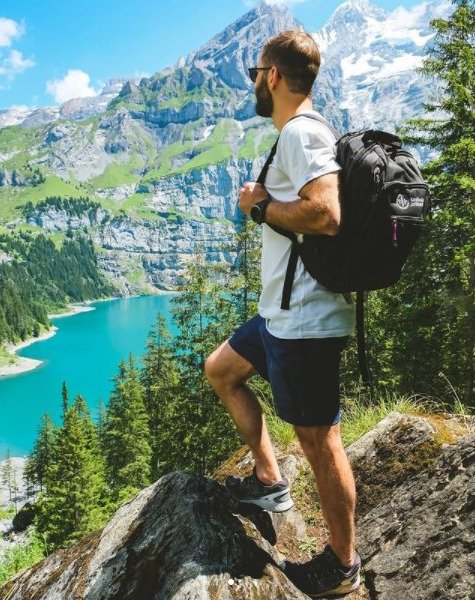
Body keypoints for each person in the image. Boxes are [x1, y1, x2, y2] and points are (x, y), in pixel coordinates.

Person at [205, 29, 361, 598]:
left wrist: (259, 204)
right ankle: (270, 479)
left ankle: (342, 565)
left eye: (255, 74)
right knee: (221, 369)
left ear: (272, 76)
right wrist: (265, 204)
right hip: (279, 316)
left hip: (305, 323)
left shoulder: (301, 132)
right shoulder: (295, 135)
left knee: (321, 442)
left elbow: (327, 214)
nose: (253, 84)